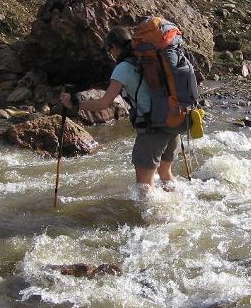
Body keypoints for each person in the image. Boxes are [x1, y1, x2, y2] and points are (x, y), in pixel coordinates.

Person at [60, 26, 179, 193]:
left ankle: (151, 219)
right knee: (166, 174)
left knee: (144, 186)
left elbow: (104, 103)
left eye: (109, 49)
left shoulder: (123, 68)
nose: (110, 53)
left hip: (153, 128)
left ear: (114, 47)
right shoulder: (147, 59)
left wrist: (73, 105)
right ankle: (178, 208)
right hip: (173, 120)